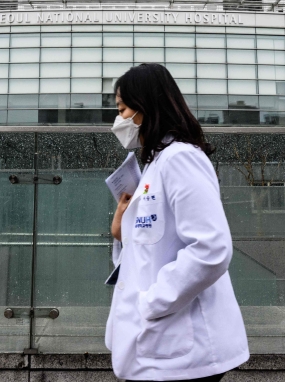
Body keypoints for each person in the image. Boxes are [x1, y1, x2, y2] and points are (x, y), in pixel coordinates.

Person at [105, 63, 248, 382]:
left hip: (183, 348)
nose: (119, 119)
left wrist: (151, 304)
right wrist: (121, 233)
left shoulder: (181, 158)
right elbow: (153, 250)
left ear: (144, 108)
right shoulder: (157, 163)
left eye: (122, 108)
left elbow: (211, 249)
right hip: (162, 347)